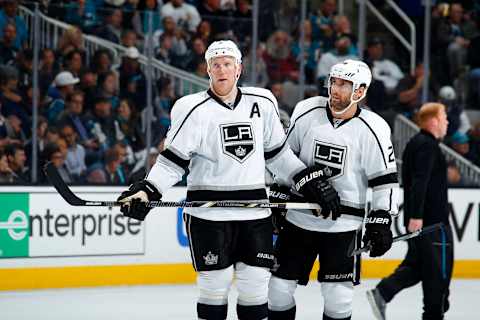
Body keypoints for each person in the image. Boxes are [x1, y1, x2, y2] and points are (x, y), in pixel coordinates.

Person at [116, 40, 340, 320]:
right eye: (215, 64)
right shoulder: (190, 108)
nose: (222, 69)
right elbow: (172, 162)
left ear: (239, 69)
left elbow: (278, 156)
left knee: (255, 289)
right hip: (209, 216)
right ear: (207, 70)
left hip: (255, 214)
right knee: (214, 288)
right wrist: (148, 190)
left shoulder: (263, 102)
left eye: (227, 63)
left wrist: (308, 181)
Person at [268, 59, 399, 320]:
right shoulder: (306, 110)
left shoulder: (374, 128)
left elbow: (385, 181)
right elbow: (285, 156)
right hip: (298, 220)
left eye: (344, 84)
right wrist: (279, 192)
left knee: (338, 298)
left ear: (360, 92)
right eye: (334, 82)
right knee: (277, 290)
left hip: (343, 227)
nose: (335, 89)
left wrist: (382, 220)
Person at [367, 102, 454, 320]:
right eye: (444, 117)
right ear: (433, 120)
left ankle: (383, 292)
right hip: (433, 225)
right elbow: (419, 181)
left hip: (424, 223)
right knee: (438, 276)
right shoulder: (427, 145)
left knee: (417, 266)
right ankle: (434, 313)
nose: (447, 122)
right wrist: (417, 216)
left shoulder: (416, 143)